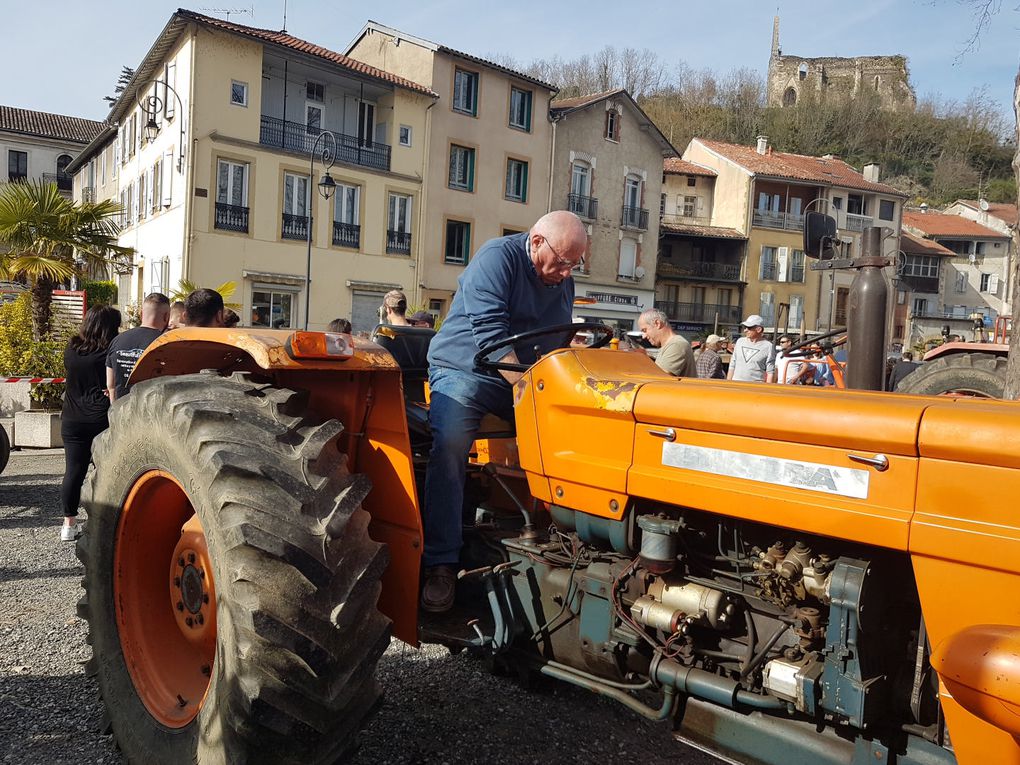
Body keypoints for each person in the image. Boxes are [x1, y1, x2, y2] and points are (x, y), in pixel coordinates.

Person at [421, 210, 587, 613]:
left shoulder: (560, 281)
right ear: (535, 242)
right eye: (562, 262)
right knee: (452, 441)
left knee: (575, 434)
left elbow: (555, 343)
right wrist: (531, 392)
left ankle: (568, 536)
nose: (566, 274)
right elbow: (492, 336)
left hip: (519, 379)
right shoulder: (496, 258)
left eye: (573, 265)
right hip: (465, 371)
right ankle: (440, 562)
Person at [61, 305, 122, 540]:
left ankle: (68, 523)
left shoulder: (72, 347)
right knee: (104, 469)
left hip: (72, 417)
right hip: (100, 416)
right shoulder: (109, 350)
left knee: (73, 471)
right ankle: (100, 521)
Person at [106, 292, 170, 401]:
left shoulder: (117, 340)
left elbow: (111, 385)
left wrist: (113, 411)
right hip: (150, 412)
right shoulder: (165, 343)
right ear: (166, 317)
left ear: (141, 314)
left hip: (120, 411)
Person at [636, 309, 695, 378]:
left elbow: (659, 380)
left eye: (645, 330)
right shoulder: (670, 345)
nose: (644, 336)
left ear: (657, 324)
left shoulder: (676, 345)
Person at [728, 314, 776, 383]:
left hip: (755, 388)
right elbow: (732, 364)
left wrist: (767, 389)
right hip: (736, 385)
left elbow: (770, 371)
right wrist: (728, 383)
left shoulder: (768, 346)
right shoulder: (740, 341)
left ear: (759, 329)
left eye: (749, 328)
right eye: (745, 327)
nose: (745, 330)